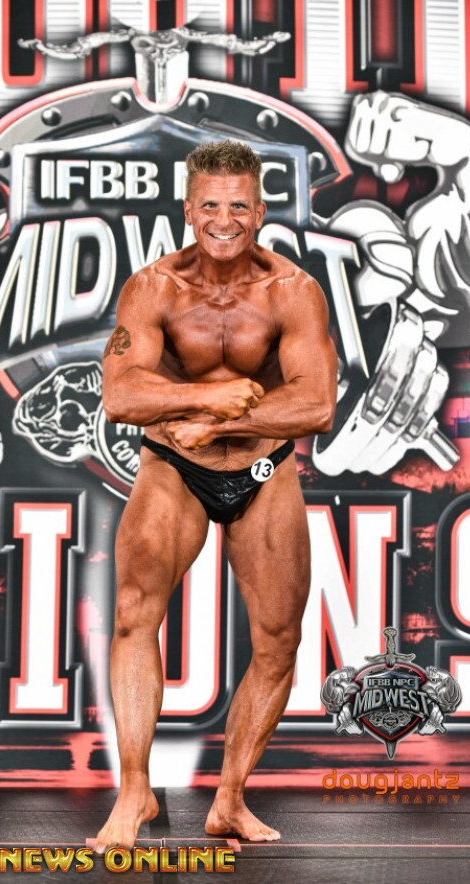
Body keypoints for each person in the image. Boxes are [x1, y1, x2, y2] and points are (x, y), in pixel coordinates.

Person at [96, 140, 337, 850]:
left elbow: (317, 404)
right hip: (175, 468)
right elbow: (121, 395)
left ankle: (230, 798)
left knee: (279, 639)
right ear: (188, 209)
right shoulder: (153, 289)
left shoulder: (293, 291)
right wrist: (205, 398)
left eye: (238, 206)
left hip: (264, 471)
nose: (223, 220)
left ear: (260, 212)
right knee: (134, 612)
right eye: (210, 205)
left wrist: (223, 420)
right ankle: (134, 791)